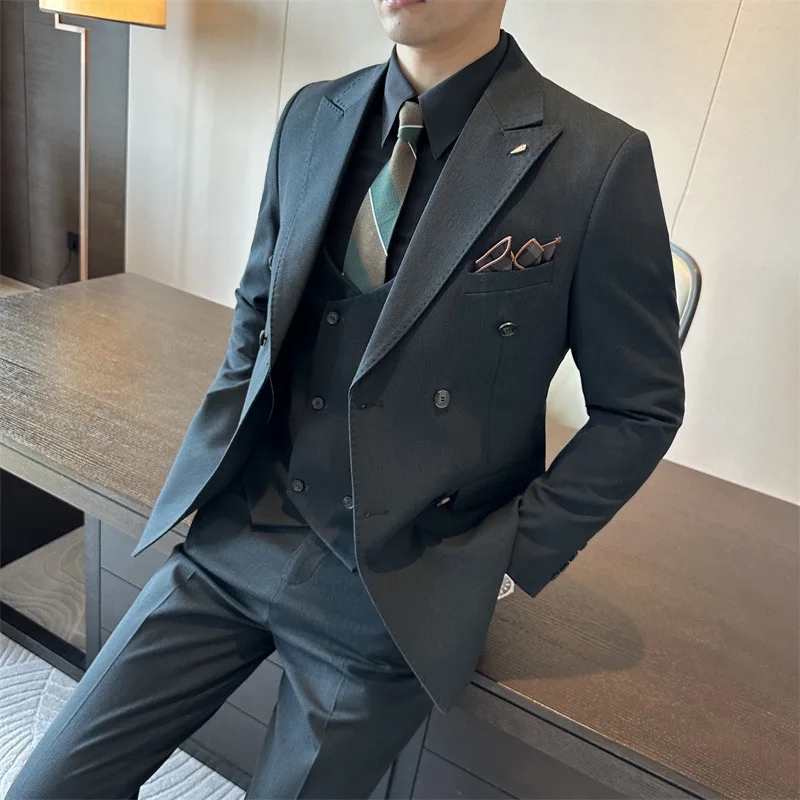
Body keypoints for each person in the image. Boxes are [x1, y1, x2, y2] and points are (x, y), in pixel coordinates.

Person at [7, 0, 685, 797]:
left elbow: (639, 408)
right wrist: (226, 439)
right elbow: (258, 305)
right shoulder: (311, 115)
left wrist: (501, 558)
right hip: (241, 532)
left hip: (394, 584)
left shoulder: (596, 160)